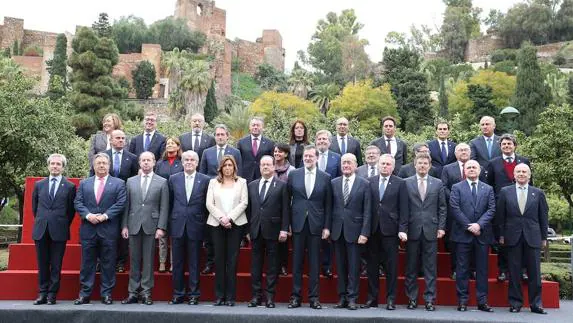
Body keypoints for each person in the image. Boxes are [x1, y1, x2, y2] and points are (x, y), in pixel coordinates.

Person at [73, 153, 126, 305]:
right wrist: (88, 215)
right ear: (94, 166)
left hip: (108, 229)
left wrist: (105, 216)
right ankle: (84, 294)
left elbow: (121, 203)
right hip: (89, 228)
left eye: (104, 163)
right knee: (87, 263)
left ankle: (107, 294)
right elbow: (78, 203)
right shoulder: (84, 183)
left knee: (108, 263)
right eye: (99, 163)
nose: (102, 165)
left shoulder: (119, 183)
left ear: (109, 165)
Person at [497, 164, 548, 315]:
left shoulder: (538, 193)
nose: (521, 174)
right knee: (513, 272)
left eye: (524, 172)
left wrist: (544, 237)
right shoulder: (505, 192)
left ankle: (536, 304)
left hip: (533, 236)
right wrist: (501, 235)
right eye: (518, 171)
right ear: (514, 174)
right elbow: (500, 216)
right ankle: (515, 303)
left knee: (534, 273)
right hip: (512, 237)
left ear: (529, 175)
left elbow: (543, 217)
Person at [120, 152, 169, 305]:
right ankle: (132, 292)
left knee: (148, 261)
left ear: (154, 162)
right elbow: (126, 206)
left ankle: (146, 292)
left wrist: (161, 227)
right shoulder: (130, 181)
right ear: (139, 163)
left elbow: (164, 207)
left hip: (151, 226)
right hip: (133, 224)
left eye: (149, 160)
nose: (146, 163)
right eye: (143, 160)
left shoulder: (162, 182)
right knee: (134, 260)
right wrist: (124, 225)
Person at [287, 144, 332, 310]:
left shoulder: (325, 177)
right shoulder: (294, 175)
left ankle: (314, 298)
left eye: (311, 156)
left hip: (316, 225)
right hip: (298, 224)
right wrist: (287, 225)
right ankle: (295, 297)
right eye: (305, 156)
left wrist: (327, 227)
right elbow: (287, 202)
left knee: (314, 264)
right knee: (297, 263)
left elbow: (328, 205)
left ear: (317, 158)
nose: (307, 159)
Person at [400, 153, 446, 311]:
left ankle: (429, 299)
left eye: (425, 163)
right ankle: (412, 298)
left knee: (430, 267)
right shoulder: (405, 183)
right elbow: (403, 209)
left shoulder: (438, 183)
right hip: (412, 230)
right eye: (419, 163)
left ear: (429, 165)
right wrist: (402, 229)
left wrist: (441, 227)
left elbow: (442, 208)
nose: (422, 166)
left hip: (431, 230)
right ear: (415, 164)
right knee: (411, 267)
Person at [449, 160, 496, 312]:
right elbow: (454, 208)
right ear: (464, 170)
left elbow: (491, 209)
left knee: (482, 270)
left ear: (479, 170)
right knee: (462, 269)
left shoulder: (488, 188)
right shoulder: (456, 187)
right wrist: (469, 226)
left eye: (474, 167)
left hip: (482, 235)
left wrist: (478, 225)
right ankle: (462, 301)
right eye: (468, 167)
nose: (471, 169)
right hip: (462, 235)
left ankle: (482, 301)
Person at [363, 154, 408, 310]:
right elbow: (366, 207)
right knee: (372, 267)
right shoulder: (369, 182)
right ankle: (372, 299)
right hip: (373, 230)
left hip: (391, 230)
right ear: (378, 164)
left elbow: (404, 209)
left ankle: (390, 299)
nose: (385, 166)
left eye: (388, 164)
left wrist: (402, 229)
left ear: (393, 166)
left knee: (391, 267)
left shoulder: (400, 183)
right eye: (382, 163)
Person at [31, 154, 76, 305]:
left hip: (59, 230)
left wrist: (61, 222)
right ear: (48, 166)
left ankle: (52, 295)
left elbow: (71, 211)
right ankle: (42, 293)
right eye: (52, 163)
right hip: (41, 229)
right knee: (42, 263)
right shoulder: (39, 185)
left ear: (63, 167)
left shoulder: (69, 186)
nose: (55, 166)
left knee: (56, 265)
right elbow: (35, 208)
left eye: (58, 164)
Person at [486, 133, 531, 282]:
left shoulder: (524, 161)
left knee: (523, 237)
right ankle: (503, 270)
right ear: (500, 147)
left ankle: (523, 270)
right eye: (504, 144)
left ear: (515, 146)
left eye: (509, 144)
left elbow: (530, 183)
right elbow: (490, 185)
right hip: (501, 206)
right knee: (502, 239)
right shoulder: (493, 163)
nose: (506, 146)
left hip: (521, 204)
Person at [247, 156, 290, 308]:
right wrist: (248, 230)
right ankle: (256, 296)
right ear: (259, 167)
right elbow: (249, 210)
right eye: (263, 164)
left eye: (268, 164)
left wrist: (285, 229)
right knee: (256, 266)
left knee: (272, 266)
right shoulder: (252, 185)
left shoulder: (282, 185)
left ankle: (270, 297)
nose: (265, 167)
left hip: (274, 230)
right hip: (256, 230)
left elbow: (286, 209)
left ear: (273, 167)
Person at [168, 150, 210, 305]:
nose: (189, 162)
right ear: (182, 162)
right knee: (177, 262)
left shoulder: (205, 180)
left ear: (197, 163)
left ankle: (193, 294)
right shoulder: (173, 179)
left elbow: (207, 205)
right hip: (177, 225)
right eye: (186, 159)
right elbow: (170, 203)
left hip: (196, 225)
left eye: (192, 160)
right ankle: (178, 294)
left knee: (194, 262)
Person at [199, 124, 242, 275]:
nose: (220, 137)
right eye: (217, 135)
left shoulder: (235, 152)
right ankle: (211, 262)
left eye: (222, 134)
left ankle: (228, 266)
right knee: (211, 232)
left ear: (227, 136)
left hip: (231, 197)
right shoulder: (207, 152)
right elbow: (203, 174)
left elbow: (239, 174)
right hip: (212, 196)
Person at [206, 155, 248, 306]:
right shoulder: (213, 182)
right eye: (225, 165)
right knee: (219, 260)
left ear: (234, 167)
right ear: (221, 168)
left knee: (232, 261)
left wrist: (229, 218)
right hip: (216, 225)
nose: (228, 168)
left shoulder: (242, 182)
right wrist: (221, 218)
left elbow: (244, 202)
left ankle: (230, 297)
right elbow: (209, 204)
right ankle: (219, 296)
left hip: (235, 225)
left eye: (230, 165)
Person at [330, 153, 370, 310]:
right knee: (340, 266)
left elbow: (367, 211)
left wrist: (364, 232)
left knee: (354, 267)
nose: (346, 165)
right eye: (343, 163)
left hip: (355, 231)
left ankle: (352, 298)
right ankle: (342, 298)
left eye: (349, 163)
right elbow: (329, 208)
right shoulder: (333, 183)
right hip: (337, 231)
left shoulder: (364, 184)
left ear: (355, 165)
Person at [98, 129, 138, 273]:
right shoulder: (102, 156)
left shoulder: (132, 158)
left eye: (123, 138)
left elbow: (135, 180)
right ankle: (101, 260)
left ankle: (120, 261)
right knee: (104, 231)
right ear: (111, 140)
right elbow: (94, 175)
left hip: (125, 200)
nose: (121, 140)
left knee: (123, 231)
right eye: (118, 138)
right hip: (104, 199)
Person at [441, 143, 474, 279]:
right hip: (453, 212)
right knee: (454, 243)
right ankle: (455, 269)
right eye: (460, 150)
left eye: (466, 149)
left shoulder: (476, 167)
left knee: (472, 241)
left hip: (473, 212)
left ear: (470, 152)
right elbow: (443, 187)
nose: (463, 152)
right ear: (455, 154)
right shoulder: (447, 169)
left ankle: (472, 269)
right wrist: (457, 199)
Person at [154, 136, 183, 273]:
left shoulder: (182, 162)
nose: (170, 145)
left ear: (178, 147)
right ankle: (162, 262)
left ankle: (173, 262)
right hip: (162, 201)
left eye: (173, 143)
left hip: (177, 201)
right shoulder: (160, 163)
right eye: (168, 143)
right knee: (163, 233)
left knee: (175, 235)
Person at [315, 129, 340, 278]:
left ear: (330, 142)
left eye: (325, 139)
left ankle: (326, 266)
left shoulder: (337, 157)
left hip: (331, 201)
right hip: (314, 201)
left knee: (327, 235)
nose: (322, 142)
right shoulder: (311, 156)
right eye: (319, 139)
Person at [273, 143, 295, 276]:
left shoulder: (291, 170)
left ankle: (283, 265)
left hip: (286, 207)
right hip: (272, 208)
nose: (277, 154)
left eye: (280, 152)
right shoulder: (270, 167)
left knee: (283, 240)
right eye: (275, 152)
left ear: (286, 154)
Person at [236, 117, 275, 183]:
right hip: (245, 177)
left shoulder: (270, 143)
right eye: (253, 125)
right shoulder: (241, 142)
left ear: (262, 127)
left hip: (263, 177)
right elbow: (238, 161)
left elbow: (273, 161)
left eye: (258, 125)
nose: (255, 127)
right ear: (249, 127)